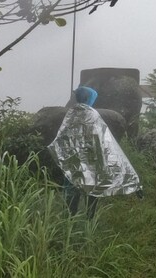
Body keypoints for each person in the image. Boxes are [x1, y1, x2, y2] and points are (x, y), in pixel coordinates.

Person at [48, 85, 142, 219]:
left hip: (73, 161)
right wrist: (133, 180)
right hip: (91, 160)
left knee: (72, 189)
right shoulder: (91, 115)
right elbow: (106, 142)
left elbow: (62, 138)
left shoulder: (72, 113)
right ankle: (89, 220)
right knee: (93, 187)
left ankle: (68, 220)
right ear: (89, 98)